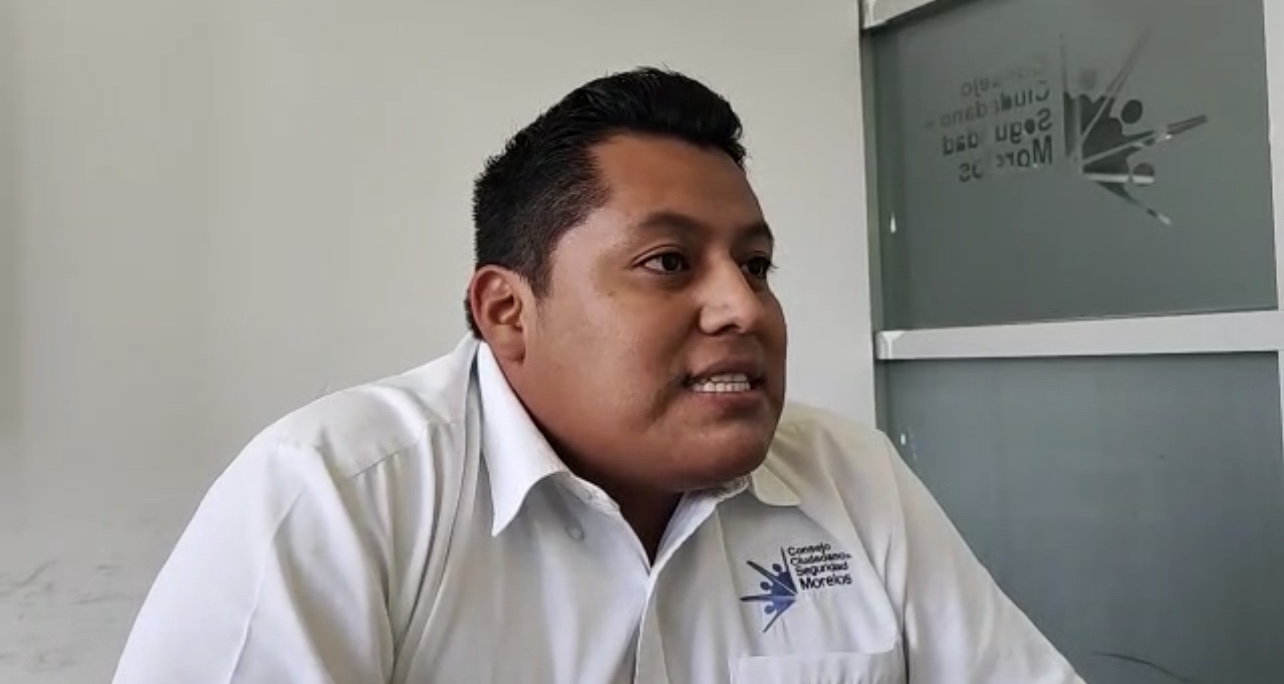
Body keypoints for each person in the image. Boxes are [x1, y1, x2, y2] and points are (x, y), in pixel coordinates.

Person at [112, 67, 1085, 683]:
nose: (743, 308)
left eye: (755, 265)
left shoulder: (847, 476)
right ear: (507, 312)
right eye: (668, 262)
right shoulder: (335, 493)